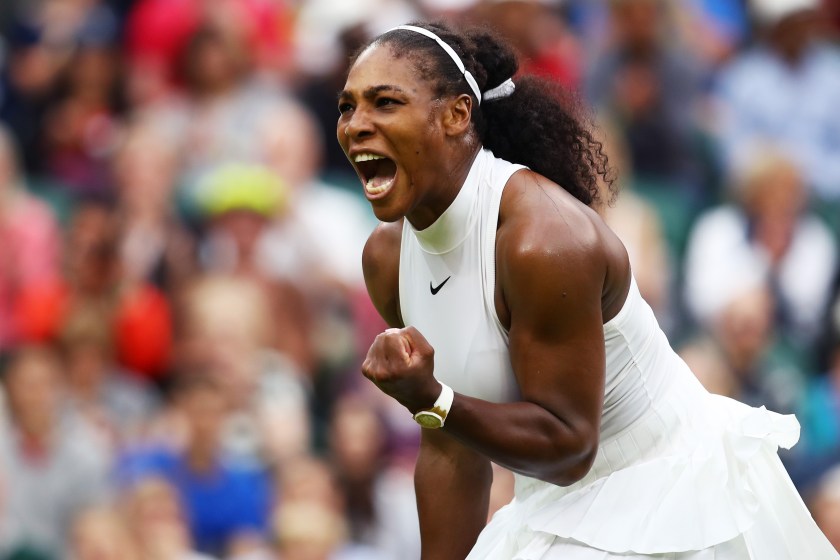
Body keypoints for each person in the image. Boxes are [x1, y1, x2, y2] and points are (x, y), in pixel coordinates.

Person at [337, 21, 838, 559]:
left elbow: (567, 444)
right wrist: (436, 409)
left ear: (457, 114)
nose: (357, 125)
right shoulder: (387, 259)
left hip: (670, 494)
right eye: (347, 107)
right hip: (551, 503)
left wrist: (433, 399)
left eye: (385, 103)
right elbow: (449, 451)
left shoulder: (543, 240)